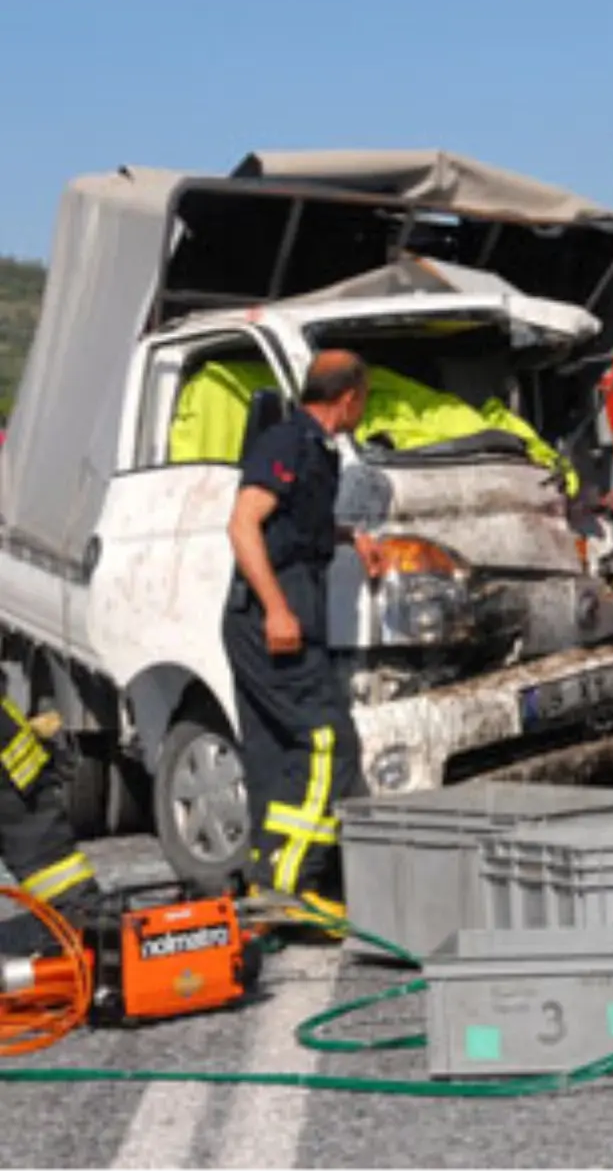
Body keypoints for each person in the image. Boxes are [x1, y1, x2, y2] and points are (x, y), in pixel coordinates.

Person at [222, 350, 384, 930]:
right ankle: (294, 883)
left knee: (274, 752)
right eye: (364, 400)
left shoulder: (317, 449)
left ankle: (267, 882)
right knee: (328, 743)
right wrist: (276, 610)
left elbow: (293, 523)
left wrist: (348, 537)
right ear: (349, 399)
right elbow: (244, 523)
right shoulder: (286, 442)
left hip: (282, 615)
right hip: (272, 619)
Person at [0, 695, 100, 921]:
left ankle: (87, 922)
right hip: (14, 778)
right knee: (50, 863)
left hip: (15, 771)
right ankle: (87, 923)